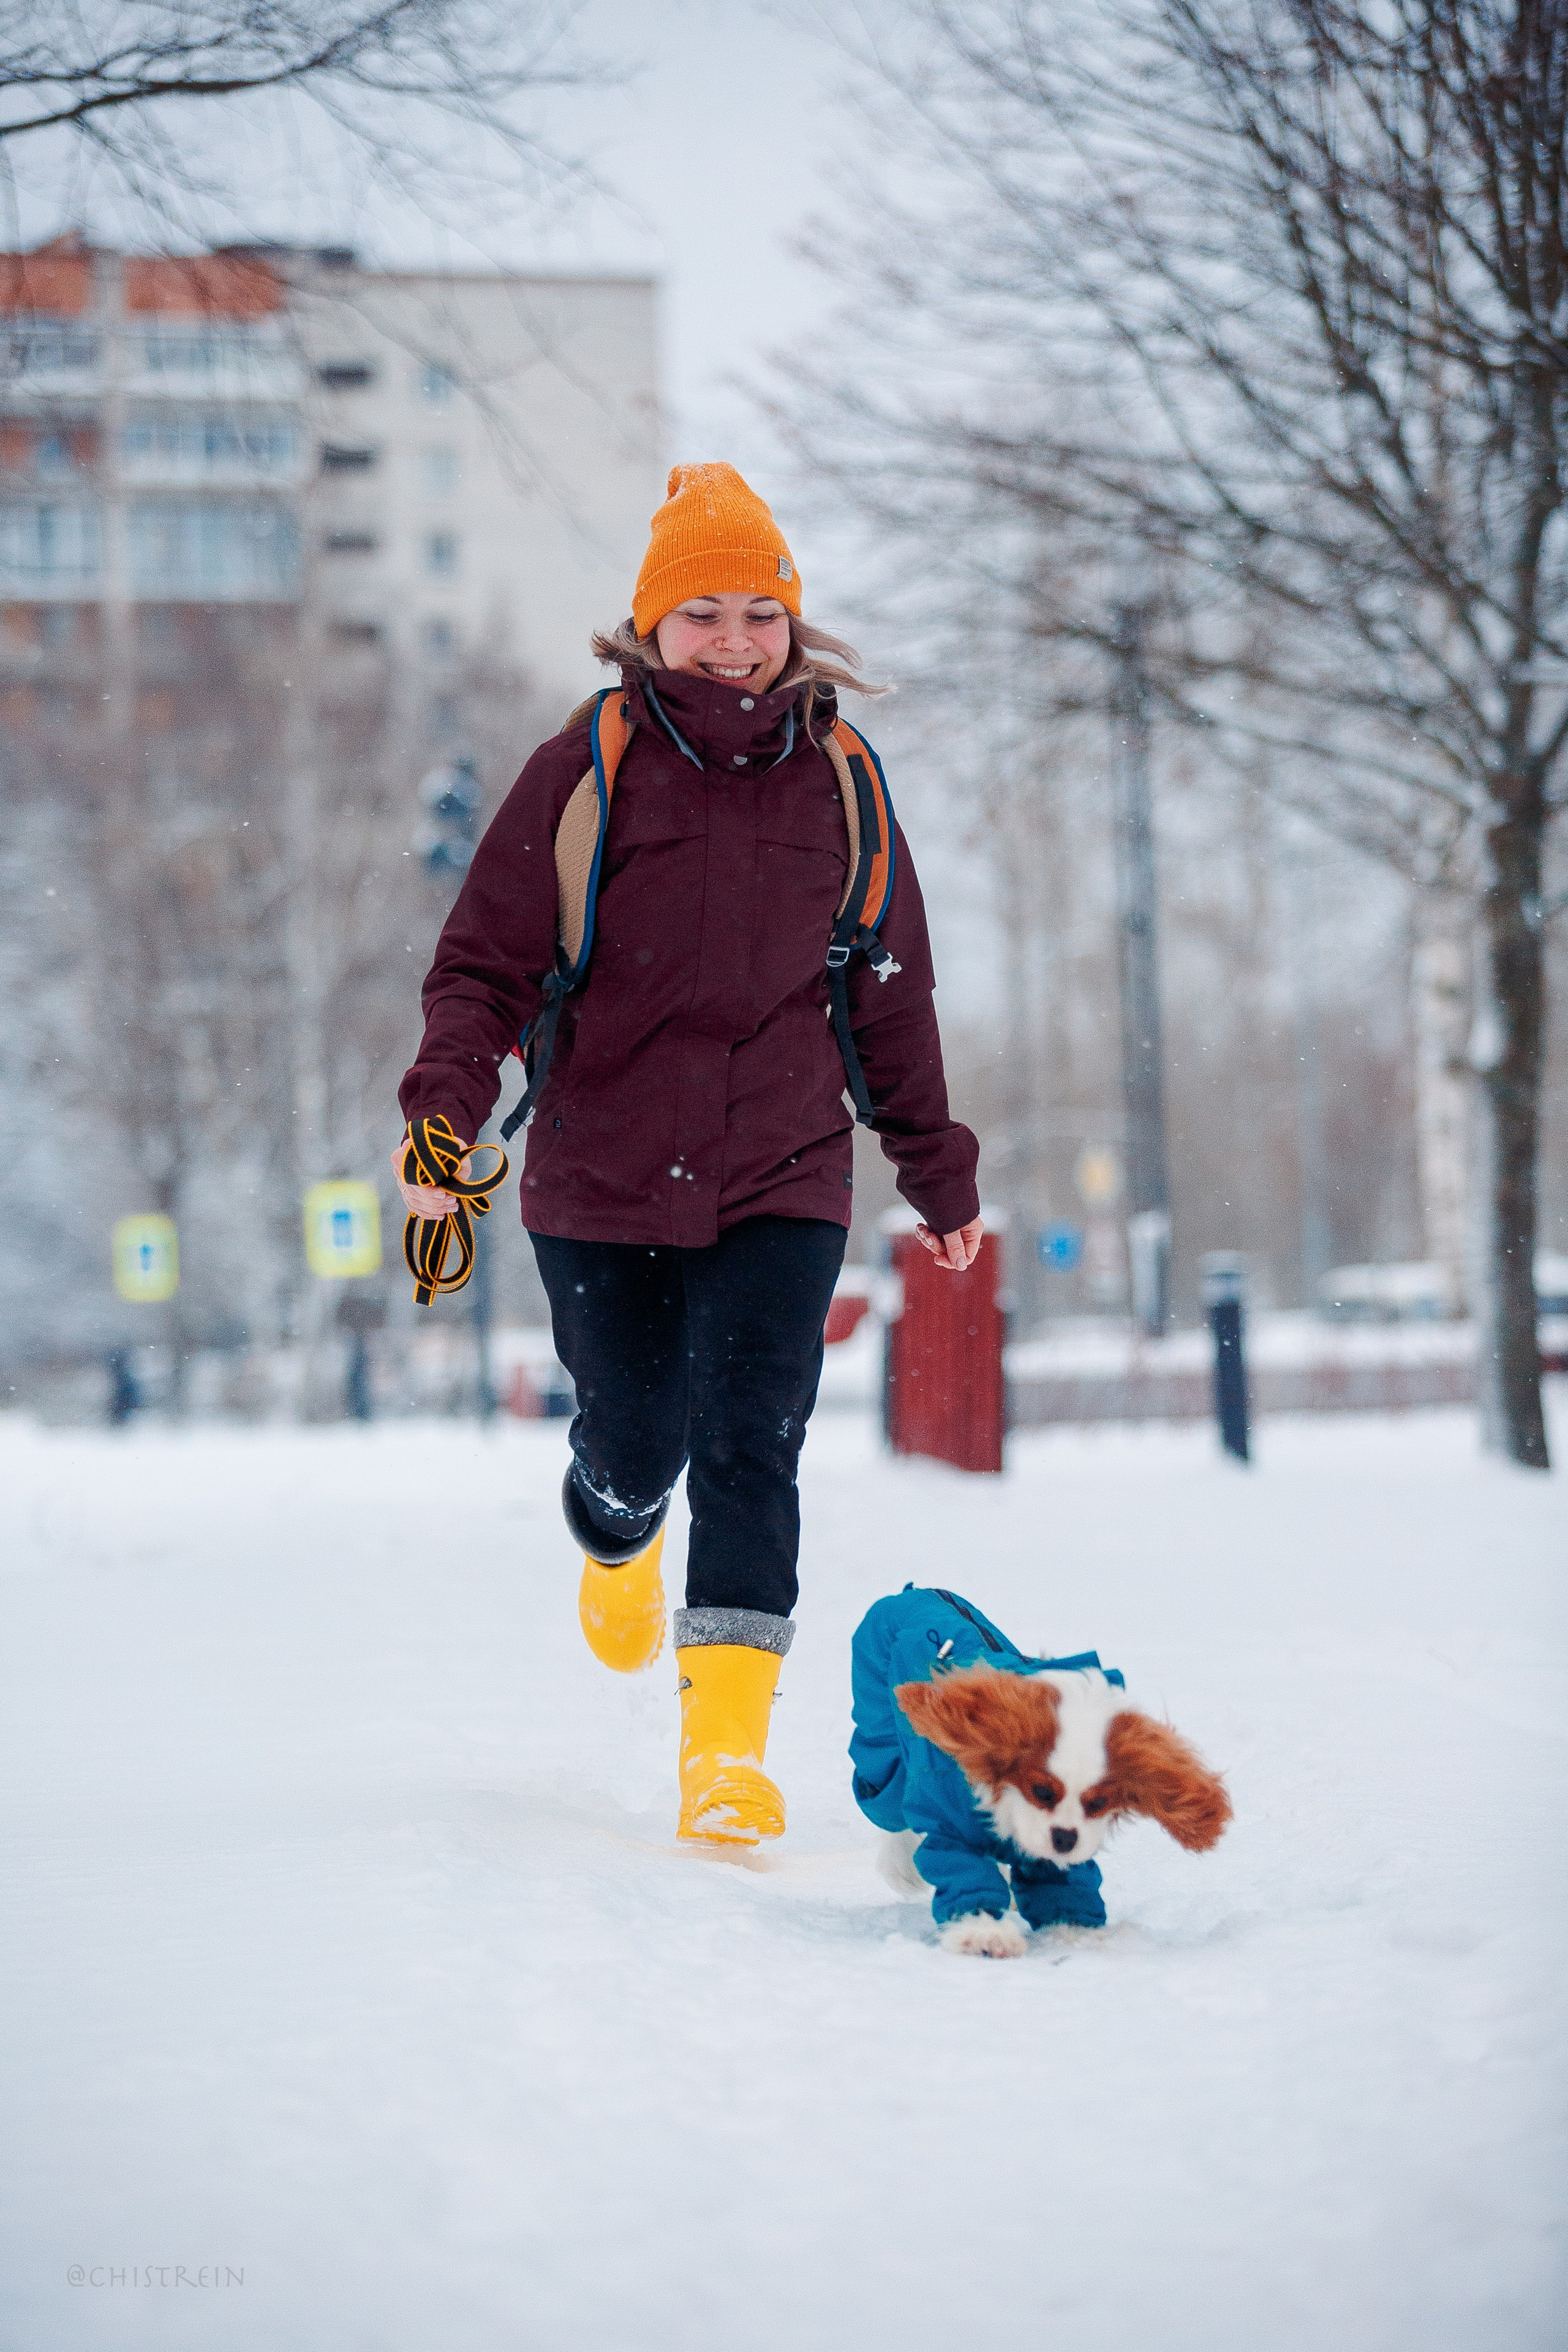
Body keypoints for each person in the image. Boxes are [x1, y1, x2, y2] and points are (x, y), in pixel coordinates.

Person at [394, 462, 981, 1849]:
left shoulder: (839, 774)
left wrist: (934, 1168)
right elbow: (480, 965)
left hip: (782, 1171)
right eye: (702, 612)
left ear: (791, 620)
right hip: (598, 1173)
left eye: (758, 611)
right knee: (638, 1433)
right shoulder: (584, 765)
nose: (734, 639)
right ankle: (611, 1527)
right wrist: (442, 1114)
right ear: (651, 625)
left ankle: (722, 1754)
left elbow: (886, 990)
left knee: (749, 1440)